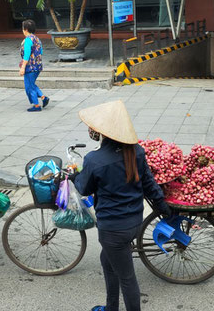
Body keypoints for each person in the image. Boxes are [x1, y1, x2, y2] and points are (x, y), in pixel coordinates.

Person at [74, 100, 171, 311]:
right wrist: (162, 205)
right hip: (134, 222)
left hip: (112, 229)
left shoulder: (94, 160)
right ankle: (111, 307)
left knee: (127, 278)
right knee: (107, 261)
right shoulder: (136, 151)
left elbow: (83, 188)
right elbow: (149, 183)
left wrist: (76, 177)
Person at [19, 19, 49, 112]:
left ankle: (36, 105)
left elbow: (27, 54)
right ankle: (43, 97)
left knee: (29, 86)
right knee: (31, 84)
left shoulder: (28, 40)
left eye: (23, 28)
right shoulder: (37, 39)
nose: (22, 30)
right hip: (38, 66)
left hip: (30, 67)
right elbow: (41, 52)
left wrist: (23, 67)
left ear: (26, 29)